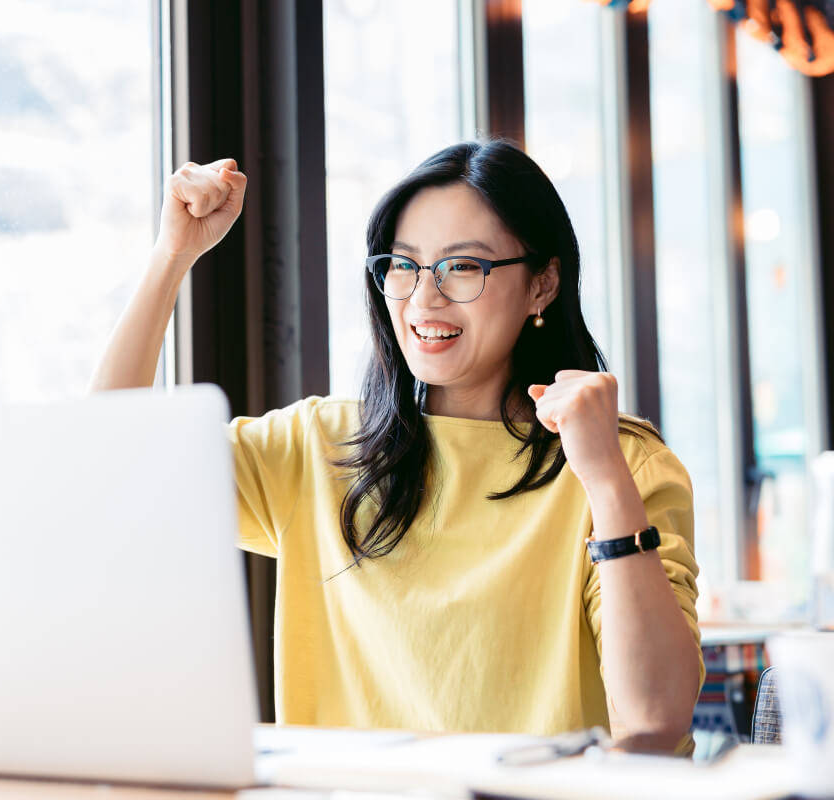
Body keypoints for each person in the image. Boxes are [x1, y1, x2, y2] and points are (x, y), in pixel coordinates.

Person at [90, 140, 703, 752]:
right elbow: (109, 458)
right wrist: (173, 254)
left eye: (464, 266)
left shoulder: (624, 464)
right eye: (404, 265)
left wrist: (602, 478)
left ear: (542, 285)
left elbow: (656, 716)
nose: (424, 298)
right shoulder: (319, 446)